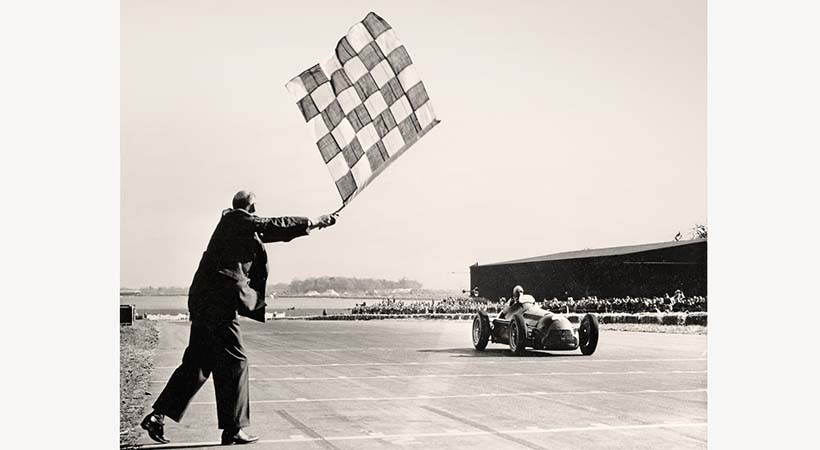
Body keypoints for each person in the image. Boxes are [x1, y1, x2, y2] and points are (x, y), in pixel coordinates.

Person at [140, 191, 337, 445]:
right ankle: (233, 429)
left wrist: (314, 224)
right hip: (217, 303)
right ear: (251, 206)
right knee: (236, 362)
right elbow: (271, 224)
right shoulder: (236, 220)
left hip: (207, 301)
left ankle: (158, 416)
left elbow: (275, 232)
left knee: (198, 364)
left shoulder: (237, 226)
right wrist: (310, 220)